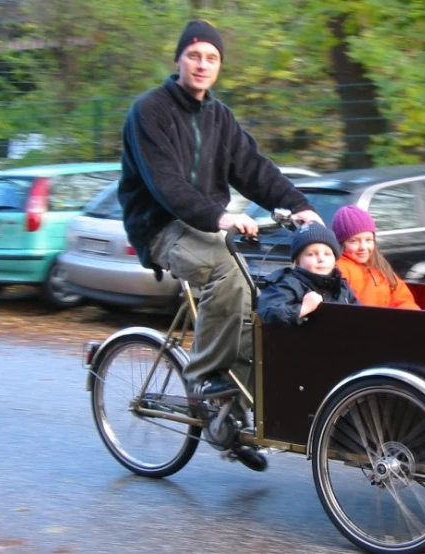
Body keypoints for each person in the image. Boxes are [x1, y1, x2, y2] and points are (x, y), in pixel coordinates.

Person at [118, 20, 322, 403]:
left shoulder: (220, 117)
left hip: (206, 225)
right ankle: (206, 382)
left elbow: (254, 170)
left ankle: (242, 406)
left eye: (211, 57)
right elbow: (167, 185)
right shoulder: (149, 111)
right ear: (178, 60)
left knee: (254, 299)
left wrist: (300, 207)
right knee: (224, 272)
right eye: (193, 55)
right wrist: (221, 217)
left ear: (219, 66)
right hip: (160, 225)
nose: (202, 64)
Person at [258, 222, 359, 326]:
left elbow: (360, 316)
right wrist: (303, 308)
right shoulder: (288, 284)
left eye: (327, 254)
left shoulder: (342, 286)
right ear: (297, 262)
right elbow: (269, 313)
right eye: (311, 254)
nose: (321, 259)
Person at [330, 205, 420, 310]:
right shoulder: (340, 269)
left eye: (368, 240)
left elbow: (401, 297)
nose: (363, 247)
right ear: (341, 244)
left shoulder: (379, 265)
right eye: (354, 241)